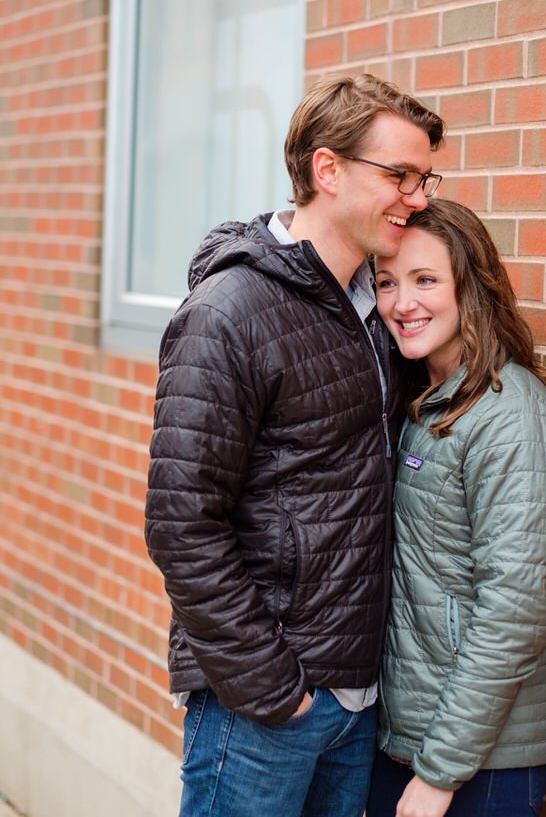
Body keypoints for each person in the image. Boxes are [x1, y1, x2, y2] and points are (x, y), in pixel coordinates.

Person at [144, 74, 445, 817]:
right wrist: (276, 689)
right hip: (265, 706)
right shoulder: (228, 313)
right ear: (327, 169)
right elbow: (182, 525)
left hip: (352, 699)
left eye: (425, 177)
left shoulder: (376, 310)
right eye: (399, 176)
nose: (418, 195)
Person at [364, 200, 546, 817]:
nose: (404, 303)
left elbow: (510, 610)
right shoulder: (423, 398)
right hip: (412, 736)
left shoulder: (510, 415)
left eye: (425, 280)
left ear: (470, 288)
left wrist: (440, 774)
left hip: (479, 759)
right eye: (386, 282)